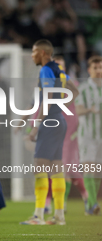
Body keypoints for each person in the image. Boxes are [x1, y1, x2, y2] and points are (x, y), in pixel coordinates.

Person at [20, 39, 79, 225]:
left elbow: (46, 100)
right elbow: (75, 92)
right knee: (56, 167)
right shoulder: (59, 70)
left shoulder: (46, 70)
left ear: (43, 53)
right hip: (59, 121)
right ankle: (59, 215)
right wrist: (60, 106)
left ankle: (38, 216)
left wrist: (35, 126)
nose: (32, 55)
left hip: (49, 122)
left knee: (39, 166)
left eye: (34, 51)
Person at [52, 55, 88, 212]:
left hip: (70, 127)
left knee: (63, 166)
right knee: (70, 168)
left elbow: (77, 97)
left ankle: (62, 205)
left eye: (61, 66)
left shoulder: (71, 83)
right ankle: (87, 198)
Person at [75, 55, 102, 215]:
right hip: (87, 136)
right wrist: (89, 110)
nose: (99, 71)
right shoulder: (84, 89)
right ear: (89, 70)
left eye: (100, 68)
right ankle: (92, 203)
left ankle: (91, 204)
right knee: (89, 168)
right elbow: (78, 110)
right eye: (96, 68)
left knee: (98, 171)